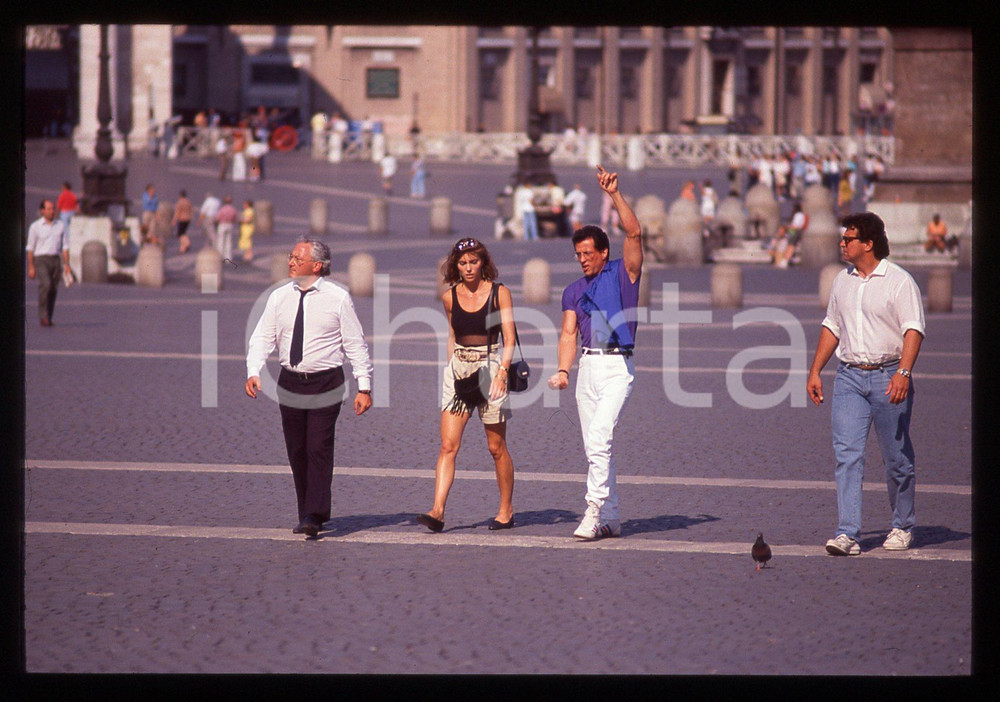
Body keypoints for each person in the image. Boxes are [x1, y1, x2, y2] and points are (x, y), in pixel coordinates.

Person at [806, 212, 925, 556]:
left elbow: (913, 329)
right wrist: (815, 370)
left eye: (848, 239)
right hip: (848, 377)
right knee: (847, 456)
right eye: (843, 239)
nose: (842, 243)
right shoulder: (842, 280)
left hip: (889, 376)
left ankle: (902, 525)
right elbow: (832, 327)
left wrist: (903, 373)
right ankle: (848, 533)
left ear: (868, 244)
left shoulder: (899, 281)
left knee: (896, 458)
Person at [246, 238, 373, 538]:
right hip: (290, 382)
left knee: (318, 447)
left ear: (316, 265)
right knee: (297, 449)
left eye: (296, 257)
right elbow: (262, 337)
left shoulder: (338, 298)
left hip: (326, 382)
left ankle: (314, 515)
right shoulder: (278, 297)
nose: (290, 262)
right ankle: (307, 510)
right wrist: (253, 370)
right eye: (290, 256)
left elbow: (355, 344)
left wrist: (364, 387)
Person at [548, 165, 642, 541]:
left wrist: (614, 195)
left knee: (600, 436)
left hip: (618, 366)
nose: (583, 259)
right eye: (578, 254)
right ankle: (613, 518)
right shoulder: (573, 291)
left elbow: (634, 232)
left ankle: (592, 509)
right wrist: (563, 370)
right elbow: (568, 332)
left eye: (588, 252)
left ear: (604, 252)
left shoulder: (624, 274)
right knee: (595, 447)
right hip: (586, 367)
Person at [417, 237, 517, 533]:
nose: (469, 268)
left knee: (496, 446)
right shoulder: (449, 297)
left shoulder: (500, 293)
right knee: (448, 444)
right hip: (459, 368)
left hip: (490, 367)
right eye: (463, 263)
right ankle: (437, 510)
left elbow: (509, 339)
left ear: (484, 262)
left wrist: (501, 373)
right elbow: (452, 333)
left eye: (474, 262)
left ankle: (506, 509)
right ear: (455, 265)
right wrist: (450, 366)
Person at [26, 199, 71, 327]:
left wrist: (67, 264)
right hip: (41, 259)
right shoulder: (35, 227)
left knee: (53, 289)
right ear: (42, 211)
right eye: (49, 209)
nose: (52, 211)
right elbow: (30, 248)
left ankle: (48, 316)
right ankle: (42, 316)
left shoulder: (60, 225)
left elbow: (65, 246)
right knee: (45, 284)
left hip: (56, 260)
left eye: (53, 209)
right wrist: (31, 267)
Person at [215, 196, 238, 261]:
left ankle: (220, 255)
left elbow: (217, 218)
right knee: (229, 241)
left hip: (222, 224)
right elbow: (235, 218)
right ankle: (228, 256)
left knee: (220, 241)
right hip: (230, 225)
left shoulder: (222, 209)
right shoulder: (233, 209)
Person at [172, 189, 193, 254]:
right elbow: (191, 210)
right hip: (187, 219)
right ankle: (182, 247)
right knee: (183, 233)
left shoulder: (180, 202)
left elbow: (177, 212)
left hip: (182, 219)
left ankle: (186, 243)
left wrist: (174, 220)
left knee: (180, 234)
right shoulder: (188, 202)